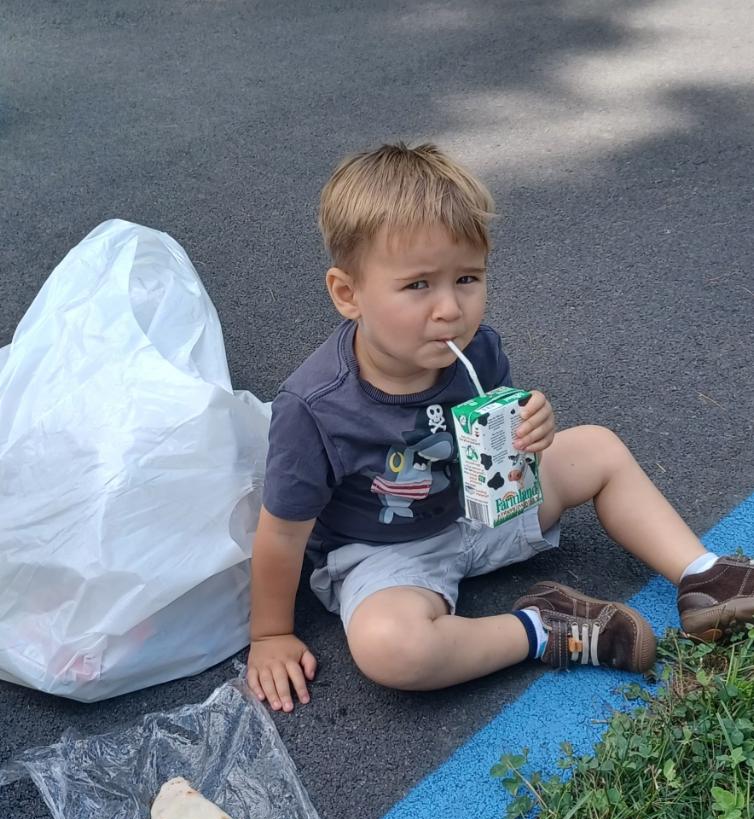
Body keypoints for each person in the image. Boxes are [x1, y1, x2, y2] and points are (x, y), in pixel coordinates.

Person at [246, 141, 754, 712]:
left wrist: (535, 429)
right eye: (418, 285)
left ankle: (706, 576)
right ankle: (543, 626)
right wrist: (270, 634)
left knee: (598, 449)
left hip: (479, 508)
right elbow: (281, 535)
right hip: (385, 554)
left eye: (467, 278)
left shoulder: (477, 349)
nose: (450, 308)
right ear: (348, 293)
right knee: (390, 648)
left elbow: (499, 445)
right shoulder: (314, 407)